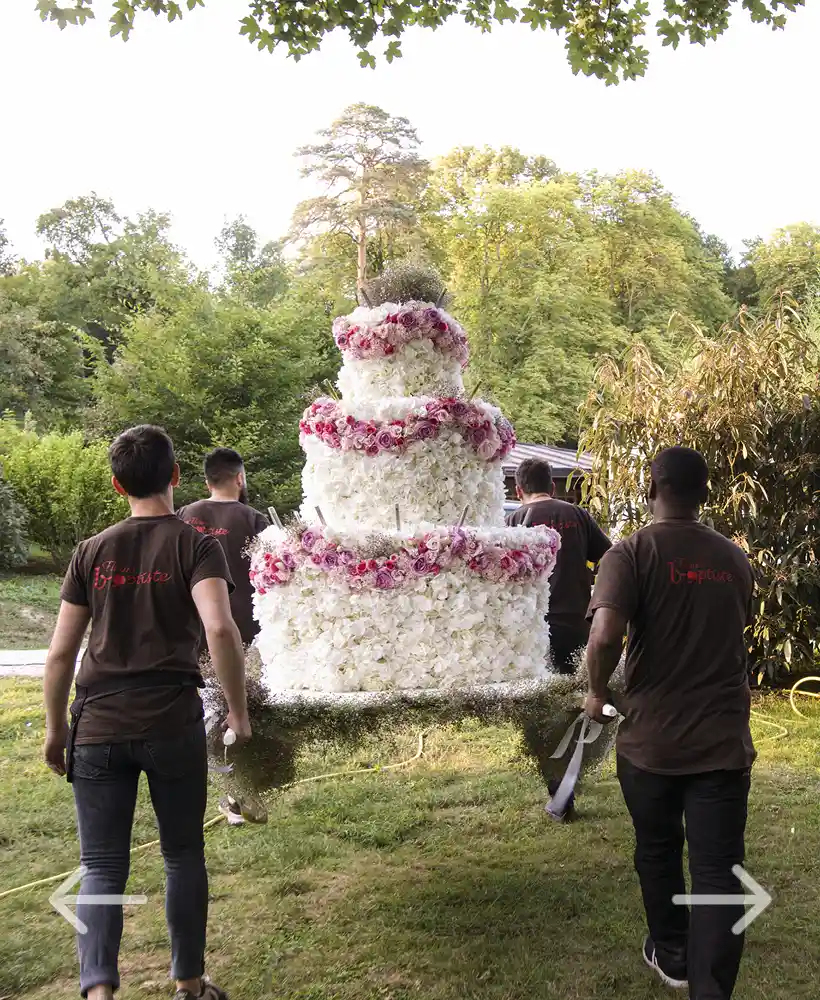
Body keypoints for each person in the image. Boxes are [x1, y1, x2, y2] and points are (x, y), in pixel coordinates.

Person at [43, 425, 251, 1000]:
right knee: (182, 853)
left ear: (116, 485)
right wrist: (237, 713)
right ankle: (188, 981)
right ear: (177, 477)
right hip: (171, 722)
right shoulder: (196, 544)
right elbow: (219, 627)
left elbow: (62, 651)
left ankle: (99, 991)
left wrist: (56, 728)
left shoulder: (90, 551)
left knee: (102, 864)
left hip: (97, 725)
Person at [585, 446, 755, 999]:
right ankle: (710, 990)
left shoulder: (629, 554)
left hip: (649, 741)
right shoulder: (734, 559)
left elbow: (606, 635)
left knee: (656, 849)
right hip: (722, 741)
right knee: (719, 872)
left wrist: (595, 691)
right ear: (705, 494)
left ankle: (673, 951)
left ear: (652, 487)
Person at [506, 457, 611, 673]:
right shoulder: (577, 514)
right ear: (552, 487)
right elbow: (610, 556)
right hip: (576, 620)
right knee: (575, 687)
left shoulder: (511, 523)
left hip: (532, 625)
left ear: (518, 491)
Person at [177, 448, 269, 649]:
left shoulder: (183, 515)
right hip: (243, 634)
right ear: (240, 478)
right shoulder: (254, 519)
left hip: (191, 633)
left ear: (208, 483)